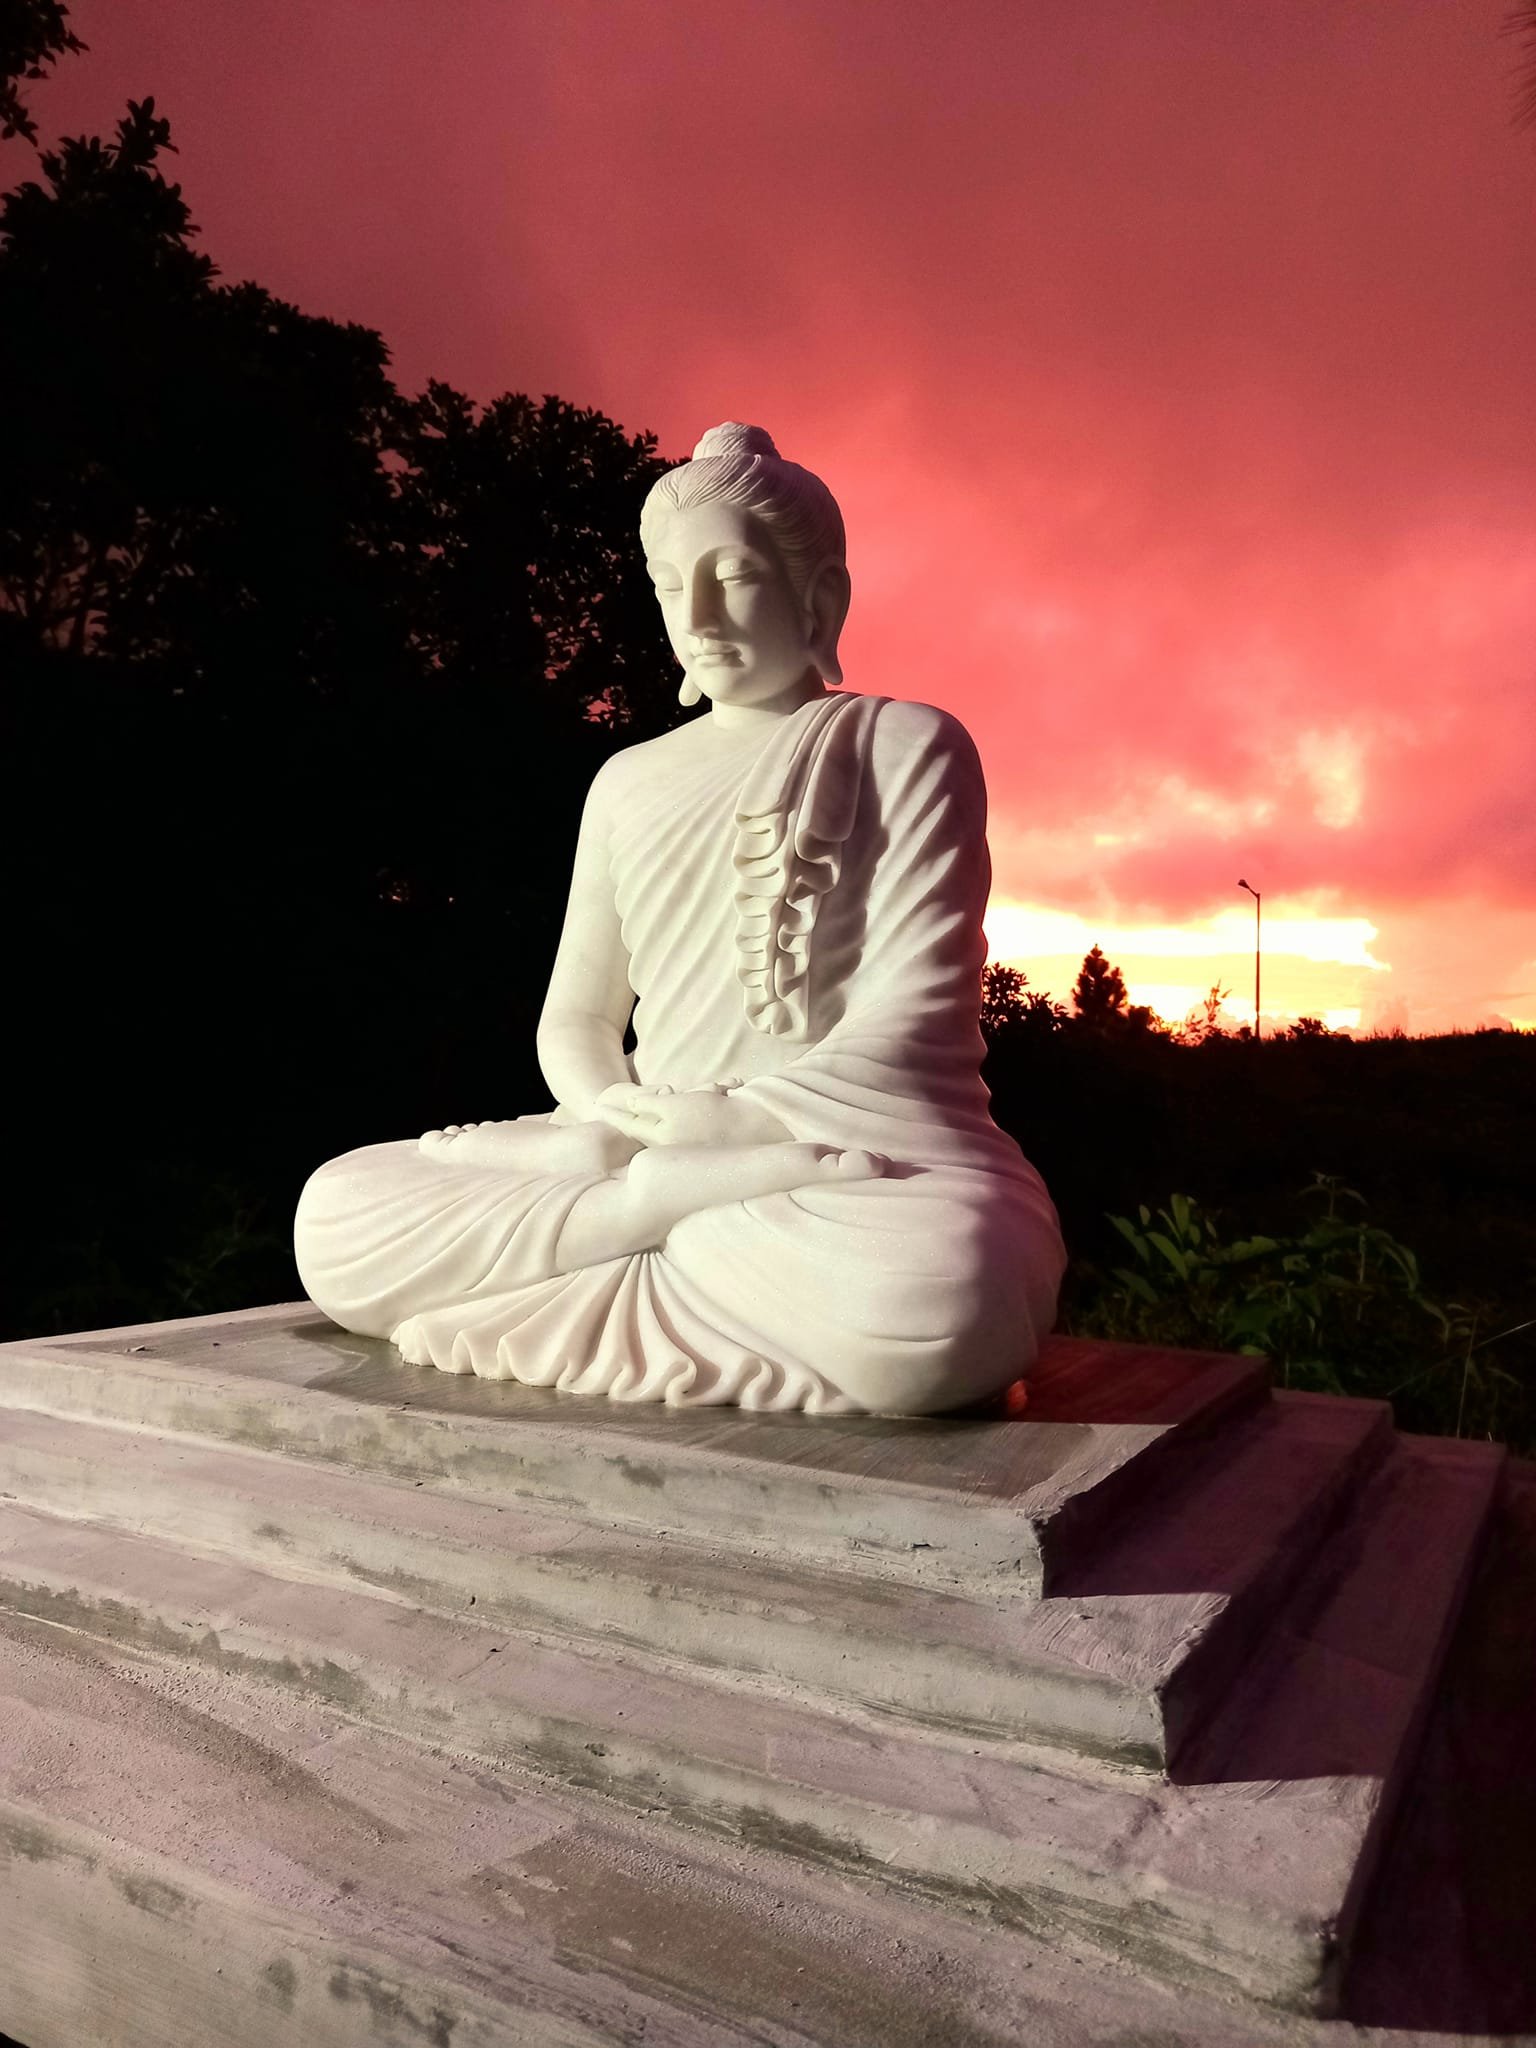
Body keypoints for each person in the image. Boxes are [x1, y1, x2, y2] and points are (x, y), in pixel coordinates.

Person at [294, 423, 1065, 1414]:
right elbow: (577, 1016)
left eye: (733, 577)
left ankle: (629, 1228)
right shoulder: (627, 780)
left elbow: (915, 1011)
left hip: (833, 1152)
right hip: (637, 1144)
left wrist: (743, 1118)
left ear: (819, 596)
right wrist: (611, 1116)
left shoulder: (905, 745)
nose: (697, 613)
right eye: (670, 582)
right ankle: (645, 1214)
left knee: (946, 1292)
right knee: (335, 1212)